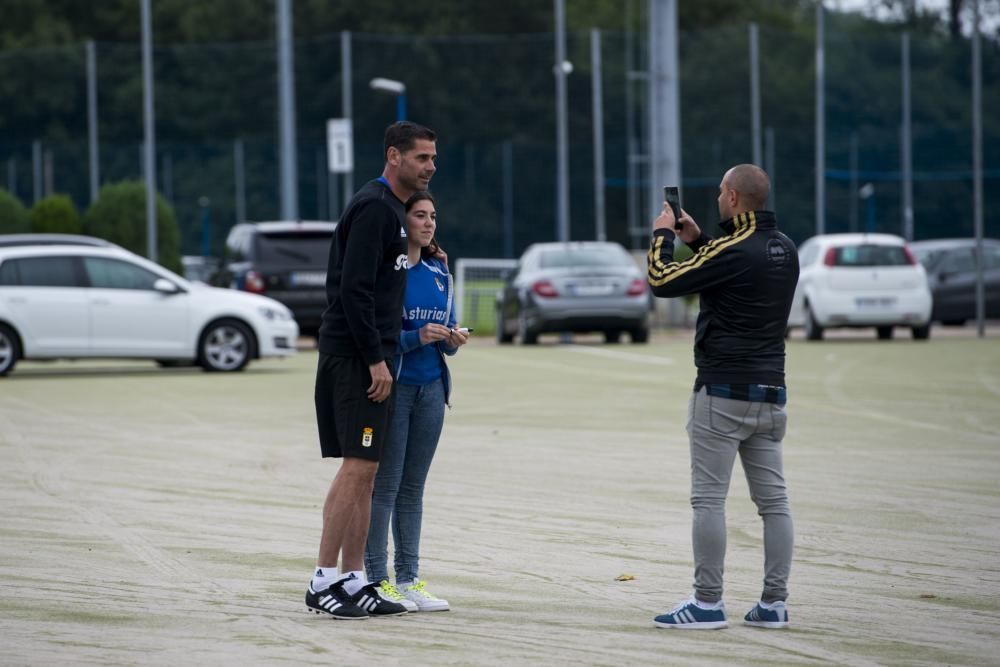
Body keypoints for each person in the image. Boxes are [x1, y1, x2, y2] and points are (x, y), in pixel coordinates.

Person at [646, 164, 799, 630]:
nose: (715, 200)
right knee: (774, 503)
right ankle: (774, 603)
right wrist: (697, 239)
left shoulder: (733, 249)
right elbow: (733, 271)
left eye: (718, 193)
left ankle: (707, 602)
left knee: (708, 500)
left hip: (722, 391)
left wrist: (663, 236)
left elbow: (662, 281)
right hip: (772, 392)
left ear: (732, 197)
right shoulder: (785, 247)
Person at [306, 121, 438, 620]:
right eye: (421, 157)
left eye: (432, 158)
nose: (430, 166)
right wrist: (376, 358)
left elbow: (385, 285)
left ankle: (356, 578)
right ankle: (322, 579)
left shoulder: (397, 216)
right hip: (355, 359)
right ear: (393, 156)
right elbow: (352, 292)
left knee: (369, 472)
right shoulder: (374, 209)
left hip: (372, 357)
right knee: (357, 467)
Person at [363, 191, 468, 612]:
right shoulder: (391, 272)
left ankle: (408, 579)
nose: (429, 223)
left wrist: (454, 339)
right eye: (420, 216)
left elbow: (449, 336)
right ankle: (376, 578)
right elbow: (378, 333)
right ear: (403, 222)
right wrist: (413, 338)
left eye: (433, 216)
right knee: (384, 487)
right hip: (395, 388)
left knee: (413, 488)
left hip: (431, 392)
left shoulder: (441, 271)